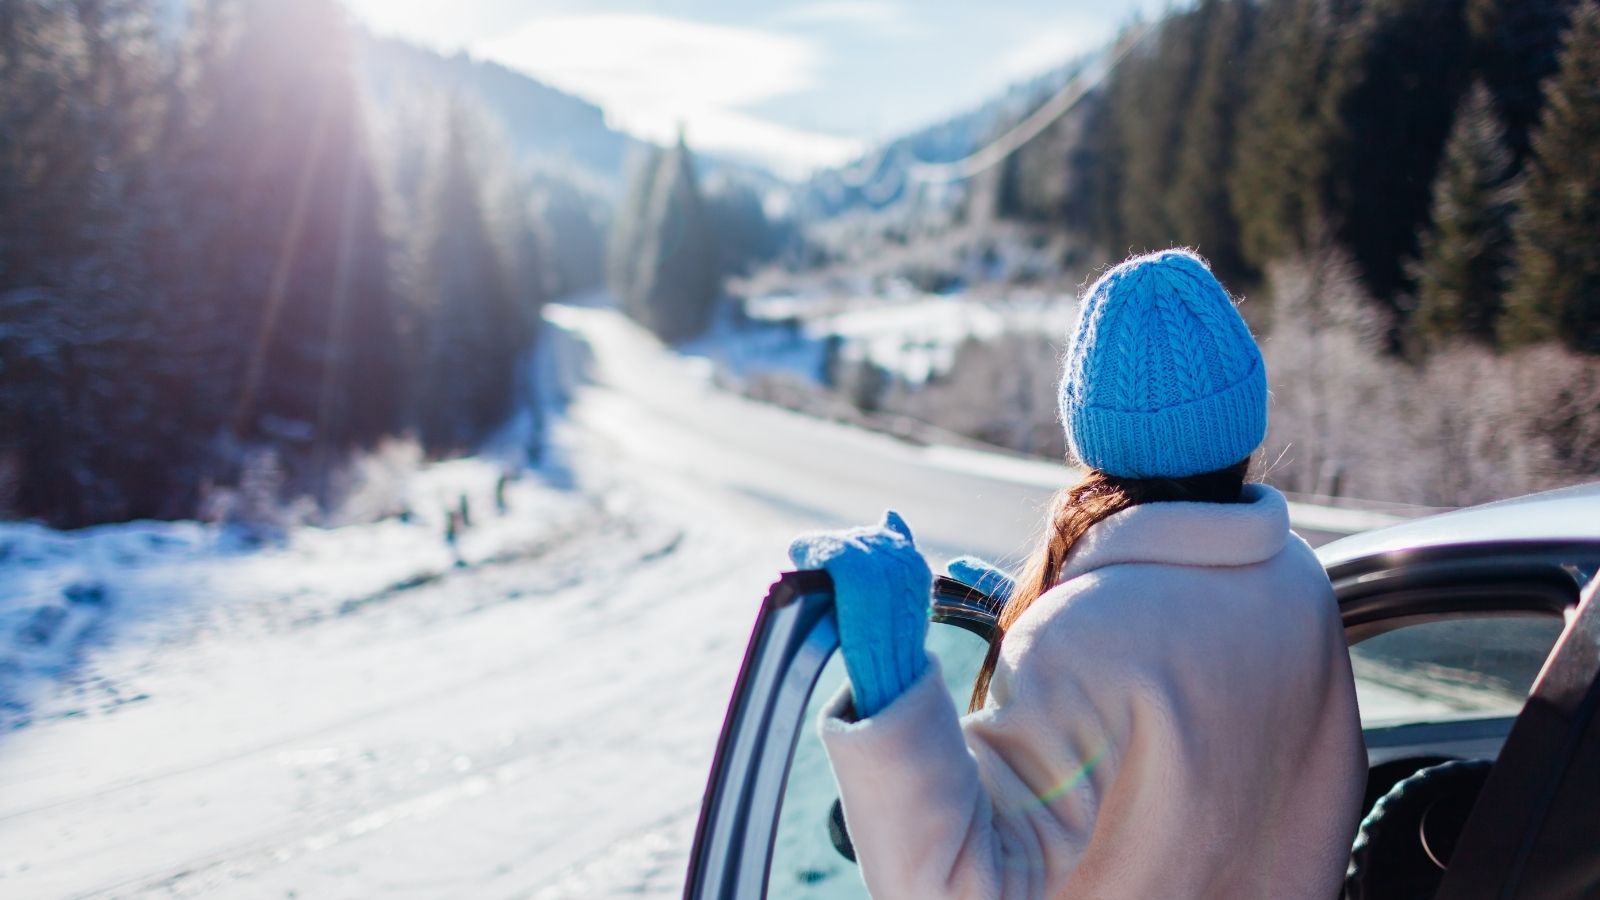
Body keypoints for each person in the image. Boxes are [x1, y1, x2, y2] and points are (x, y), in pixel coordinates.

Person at [789, 249, 1365, 899]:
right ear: (1244, 413)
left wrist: (894, 703)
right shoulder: (1301, 581)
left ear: (1088, 431)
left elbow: (964, 888)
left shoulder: (1079, 640)